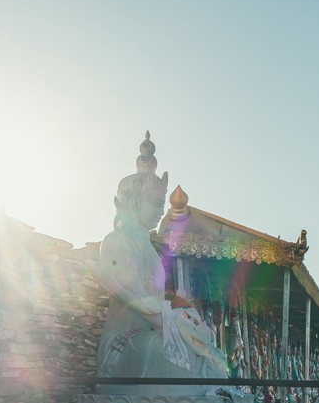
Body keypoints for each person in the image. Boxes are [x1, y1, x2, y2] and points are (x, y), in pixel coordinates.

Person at [94, 132, 229, 387]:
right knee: (187, 356)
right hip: (125, 342)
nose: (160, 211)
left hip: (153, 332)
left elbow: (157, 305)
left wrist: (182, 318)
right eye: (155, 203)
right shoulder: (116, 242)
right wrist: (175, 322)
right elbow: (134, 301)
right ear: (134, 202)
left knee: (211, 356)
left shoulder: (150, 251)